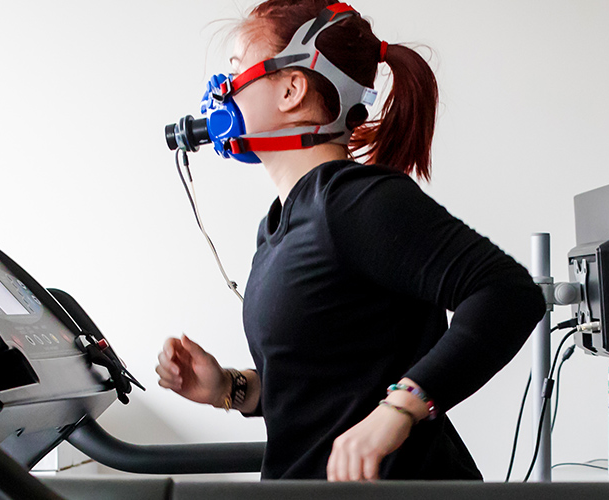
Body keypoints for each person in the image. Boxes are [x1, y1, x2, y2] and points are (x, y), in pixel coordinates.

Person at [152, 0, 544, 482]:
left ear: (292, 88)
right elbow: (322, 390)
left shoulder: (353, 203)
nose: (220, 93)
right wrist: (228, 388)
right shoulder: (279, 223)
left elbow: (508, 293)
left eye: (235, 72)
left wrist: (398, 411)